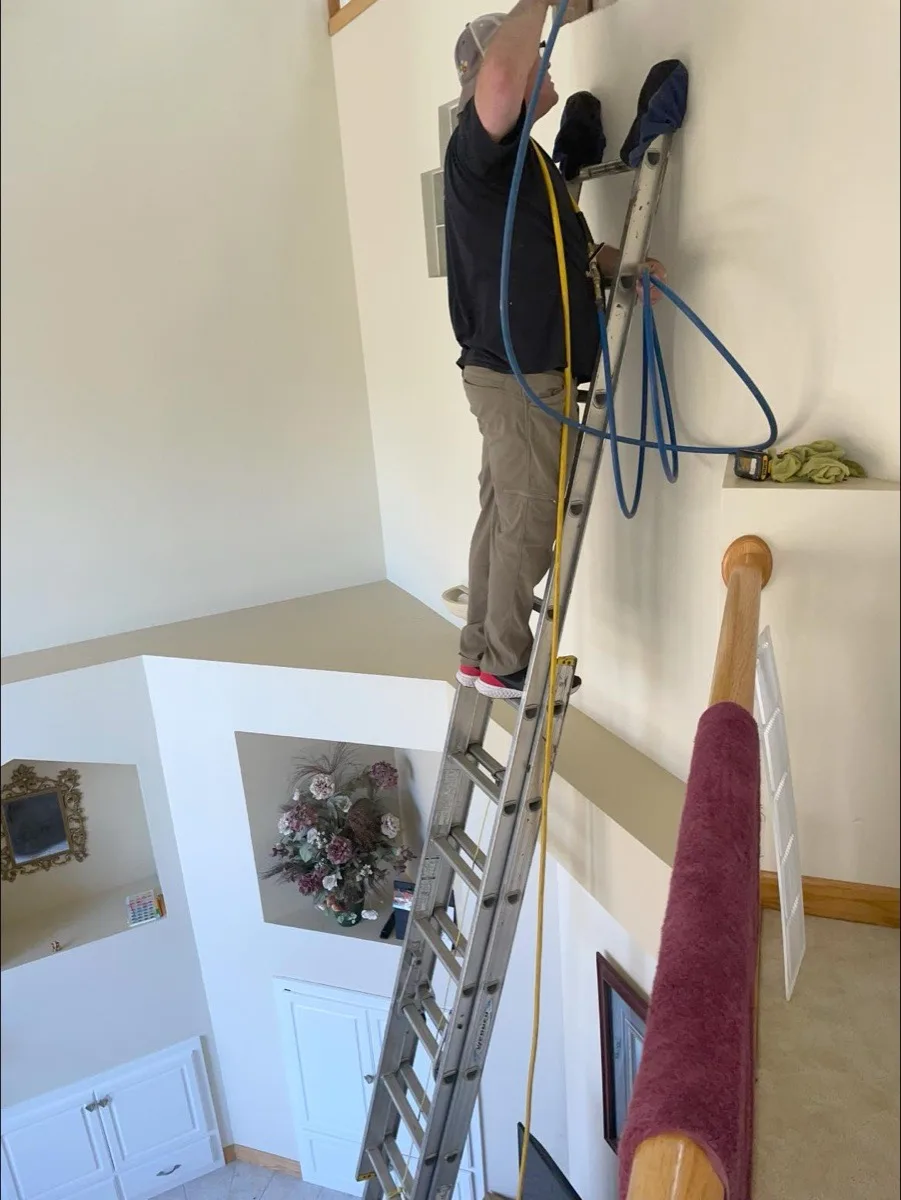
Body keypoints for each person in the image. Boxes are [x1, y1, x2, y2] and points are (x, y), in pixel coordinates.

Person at [445, 2, 666, 700]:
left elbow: (566, 252)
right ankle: (505, 661)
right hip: (520, 376)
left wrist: (625, 264)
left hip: (509, 373)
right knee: (529, 517)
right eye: (534, 55)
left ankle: (480, 651)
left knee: (503, 514)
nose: (545, 66)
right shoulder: (481, 148)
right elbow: (499, 78)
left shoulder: (523, 164)